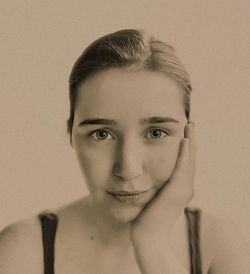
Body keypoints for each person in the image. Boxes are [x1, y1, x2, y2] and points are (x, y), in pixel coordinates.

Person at [0, 29, 249, 274]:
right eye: (102, 134)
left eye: (156, 133)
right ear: (71, 135)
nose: (128, 170)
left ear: (188, 138)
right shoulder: (23, 250)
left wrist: (153, 246)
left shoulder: (218, 245)